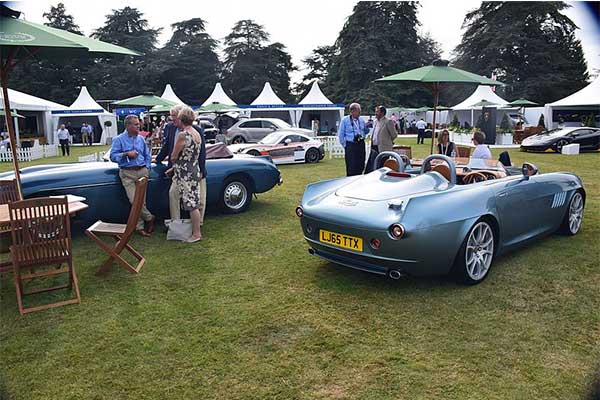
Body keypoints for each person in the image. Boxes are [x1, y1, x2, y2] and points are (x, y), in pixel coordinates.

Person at [110, 115, 155, 237]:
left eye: (138, 124)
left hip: (142, 171)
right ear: (128, 126)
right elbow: (112, 156)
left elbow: (147, 155)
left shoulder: (141, 139)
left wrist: (147, 168)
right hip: (127, 173)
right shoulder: (118, 139)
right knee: (134, 201)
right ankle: (150, 218)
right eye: (136, 124)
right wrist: (125, 154)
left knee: (142, 201)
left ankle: (139, 227)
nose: (139, 126)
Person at [166, 107, 206, 243]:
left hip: (185, 174)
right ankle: (185, 228)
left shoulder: (183, 135)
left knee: (192, 204)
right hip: (193, 170)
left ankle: (196, 234)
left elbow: (173, 156)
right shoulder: (196, 133)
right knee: (192, 201)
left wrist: (174, 162)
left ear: (181, 118)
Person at [156, 105, 185, 221]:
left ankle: (189, 222)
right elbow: (166, 145)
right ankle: (175, 223)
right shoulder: (170, 127)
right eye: (171, 115)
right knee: (173, 195)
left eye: (174, 116)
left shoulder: (192, 130)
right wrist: (158, 159)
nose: (171, 118)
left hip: (186, 168)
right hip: (172, 167)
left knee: (187, 197)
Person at [365, 105, 398, 173]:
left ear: (382, 113)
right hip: (374, 148)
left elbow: (394, 135)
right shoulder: (375, 121)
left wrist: (387, 141)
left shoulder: (388, 122)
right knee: (371, 167)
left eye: (377, 112)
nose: (375, 114)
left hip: (383, 148)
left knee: (381, 168)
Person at [338, 103, 368, 176]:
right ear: (352, 111)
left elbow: (365, 131)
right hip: (351, 145)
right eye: (358, 111)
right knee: (351, 166)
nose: (360, 113)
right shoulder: (345, 120)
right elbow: (341, 134)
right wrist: (346, 145)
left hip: (360, 144)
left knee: (360, 164)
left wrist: (367, 128)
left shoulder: (361, 120)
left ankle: (360, 179)